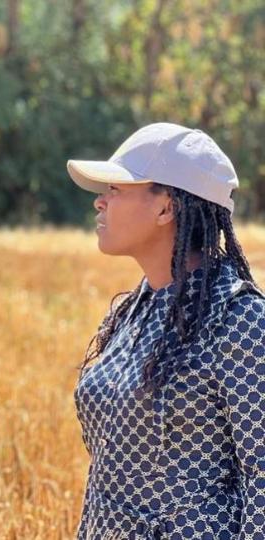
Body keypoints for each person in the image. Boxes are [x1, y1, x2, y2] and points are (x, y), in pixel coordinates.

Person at [69, 122, 265, 538]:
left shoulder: (239, 319)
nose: (99, 202)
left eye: (116, 189)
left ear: (166, 208)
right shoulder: (132, 312)